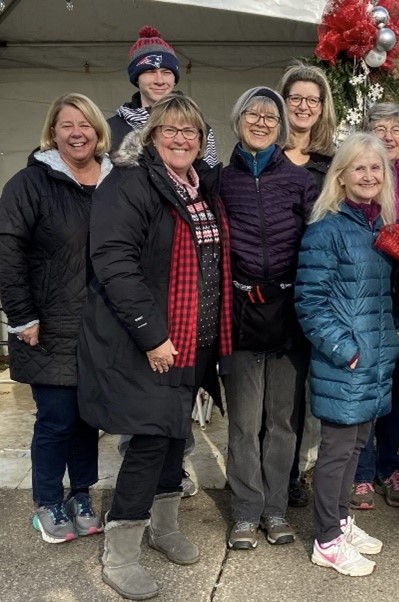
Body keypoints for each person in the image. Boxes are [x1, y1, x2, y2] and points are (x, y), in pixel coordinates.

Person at [78, 93, 233, 600]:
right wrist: (153, 335)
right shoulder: (131, 183)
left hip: (195, 340)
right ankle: (120, 554)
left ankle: (163, 528)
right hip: (152, 340)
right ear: (151, 136)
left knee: (173, 437)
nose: (181, 139)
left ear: (202, 141)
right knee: (148, 441)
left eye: (191, 131)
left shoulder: (199, 187)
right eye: (170, 129)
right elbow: (114, 261)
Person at [110, 25, 219, 497]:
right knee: (148, 426)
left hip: (190, 307)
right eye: (149, 71)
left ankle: (168, 492)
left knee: (172, 418)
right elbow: (117, 245)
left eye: (166, 71)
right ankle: (134, 510)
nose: (158, 77)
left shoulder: (196, 131)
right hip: (150, 302)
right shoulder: (118, 133)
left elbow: (206, 190)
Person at [0, 93, 112, 544]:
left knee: (88, 419)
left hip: (101, 327)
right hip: (48, 325)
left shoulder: (115, 181)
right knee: (56, 419)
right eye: (67, 125)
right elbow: (8, 251)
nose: (77, 133)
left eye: (85, 124)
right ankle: (47, 501)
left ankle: (81, 495)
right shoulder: (30, 184)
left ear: (98, 131)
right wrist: (22, 315)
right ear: (53, 131)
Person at [295, 133, 399, 577]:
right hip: (347, 362)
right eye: (359, 167)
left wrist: (392, 337)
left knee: (357, 445)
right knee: (338, 451)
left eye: (376, 167)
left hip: (374, 360)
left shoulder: (378, 229)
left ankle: (340, 521)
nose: (368, 175)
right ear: (340, 176)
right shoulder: (327, 230)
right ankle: (326, 541)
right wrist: (345, 350)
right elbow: (310, 302)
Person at [220, 87, 318, 550]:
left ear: (280, 128)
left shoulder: (300, 180)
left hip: (288, 314)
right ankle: (245, 511)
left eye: (270, 117)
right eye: (252, 114)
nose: (261, 122)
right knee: (243, 423)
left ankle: (275, 509)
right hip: (240, 314)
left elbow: (319, 238)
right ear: (238, 120)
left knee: (282, 421)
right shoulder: (220, 181)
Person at [350, 102, 399, 511]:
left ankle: (388, 464)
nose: (389, 136)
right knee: (364, 386)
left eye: (397, 129)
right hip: (364, 301)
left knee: (396, 389)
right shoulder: (359, 176)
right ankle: (361, 472)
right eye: (380, 128)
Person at [278, 62, 336, 508]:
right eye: (295, 97)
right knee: (268, 396)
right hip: (267, 288)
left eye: (311, 100)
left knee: (299, 392)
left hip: (313, 287)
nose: (302, 106)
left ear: (322, 108)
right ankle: (262, 477)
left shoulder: (330, 164)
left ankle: (290, 473)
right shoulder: (263, 152)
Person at [108, 25, 218, 167]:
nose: (159, 80)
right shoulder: (111, 129)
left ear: (174, 79)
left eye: (166, 72)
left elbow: (209, 177)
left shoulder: (199, 128)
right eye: (150, 72)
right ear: (136, 78)